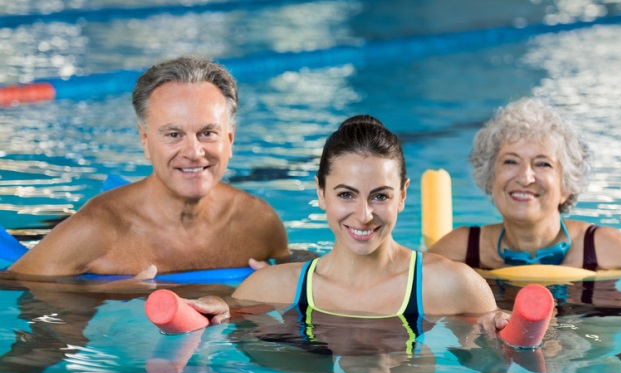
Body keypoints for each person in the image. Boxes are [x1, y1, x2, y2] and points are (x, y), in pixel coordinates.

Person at [191, 114, 504, 326]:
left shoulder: (454, 286)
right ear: (322, 193)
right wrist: (218, 311)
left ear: (403, 195)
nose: (364, 215)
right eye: (346, 195)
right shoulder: (270, 288)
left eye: (380, 196)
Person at [8, 56, 291, 278]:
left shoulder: (259, 223)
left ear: (229, 138)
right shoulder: (97, 229)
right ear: (145, 140)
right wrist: (105, 292)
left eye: (207, 132)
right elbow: (13, 282)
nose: (194, 152)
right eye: (173, 134)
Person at [428, 97, 621, 276]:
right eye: (510, 161)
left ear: (566, 185)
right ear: (490, 177)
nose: (525, 177)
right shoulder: (464, 247)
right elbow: (402, 282)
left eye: (542, 164)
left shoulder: (599, 245)